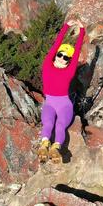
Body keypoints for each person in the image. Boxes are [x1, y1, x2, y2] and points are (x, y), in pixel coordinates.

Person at [37, 19, 85, 164]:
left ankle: (56, 148)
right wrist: (66, 27)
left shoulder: (69, 71)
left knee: (60, 125)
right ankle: (44, 145)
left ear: (68, 61)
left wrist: (82, 31)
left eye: (66, 57)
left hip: (65, 104)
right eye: (60, 55)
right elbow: (55, 45)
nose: (62, 58)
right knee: (48, 123)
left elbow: (76, 51)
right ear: (56, 55)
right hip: (50, 103)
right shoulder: (47, 65)